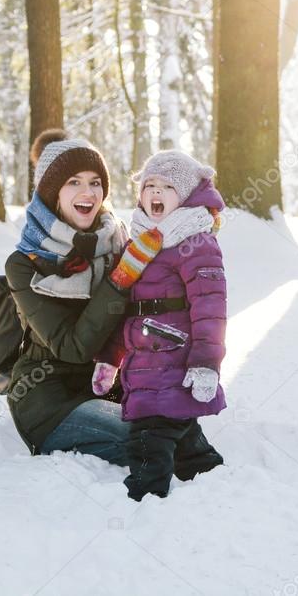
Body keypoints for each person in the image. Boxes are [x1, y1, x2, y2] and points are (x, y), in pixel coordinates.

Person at [4, 129, 163, 464]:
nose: (88, 192)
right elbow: (74, 349)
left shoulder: (119, 242)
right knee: (149, 445)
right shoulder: (23, 264)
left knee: (179, 433)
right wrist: (120, 279)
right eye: (73, 182)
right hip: (50, 396)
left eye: (95, 182)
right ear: (52, 192)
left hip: (113, 386)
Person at [92, 150, 228, 500]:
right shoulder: (140, 243)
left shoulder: (196, 243)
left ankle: (144, 501)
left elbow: (210, 309)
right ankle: (210, 476)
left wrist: (205, 365)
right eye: (149, 184)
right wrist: (111, 357)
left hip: (174, 363)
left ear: (184, 197)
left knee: (147, 440)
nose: (155, 192)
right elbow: (127, 309)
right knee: (178, 427)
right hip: (147, 364)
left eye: (167, 186)